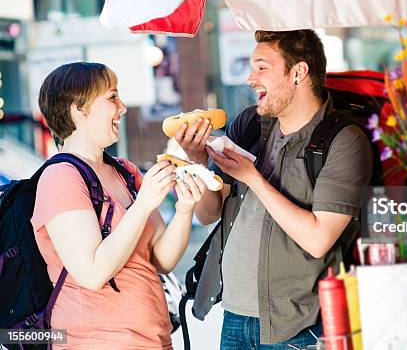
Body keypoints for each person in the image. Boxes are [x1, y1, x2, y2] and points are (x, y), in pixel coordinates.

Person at [175, 30, 373, 348]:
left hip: (300, 327)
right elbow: (208, 213)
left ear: (298, 72)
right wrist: (198, 161)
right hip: (234, 317)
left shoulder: (343, 141)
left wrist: (254, 178)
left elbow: (318, 239)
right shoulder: (249, 125)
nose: (251, 79)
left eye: (262, 67)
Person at [32, 62, 207, 349]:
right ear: (79, 109)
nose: (122, 107)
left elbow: (162, 260)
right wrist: (143, 205)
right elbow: (92, 272)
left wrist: (185, 209)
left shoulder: (124, 171)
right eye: (112, 97)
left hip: (154, 341)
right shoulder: (61, 177)